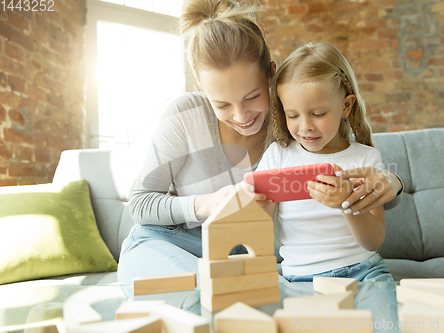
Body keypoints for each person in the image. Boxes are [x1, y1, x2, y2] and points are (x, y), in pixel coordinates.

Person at [117, 0, 400, 300]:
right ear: (203, 90)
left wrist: (395, 182)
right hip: (165, 242)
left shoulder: (291, 130)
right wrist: (209, 204)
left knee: (238, 300)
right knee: (204, 296)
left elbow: (357, 176)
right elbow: (140, 204)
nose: (241, 116)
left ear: (271, 76)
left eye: (252, 96)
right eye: (222, 104)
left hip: (237, 256)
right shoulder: (186, 114)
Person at [251, 42, 393, 282]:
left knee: (385, 320)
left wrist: (347, 204)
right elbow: (256, 232)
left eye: (318, 114)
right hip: (300, 276)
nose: (305, 126)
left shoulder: (365, 159)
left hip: (363, 270)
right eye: (293, 115)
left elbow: (374, 241)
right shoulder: (278, 156)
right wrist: (259, 209)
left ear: (346, 106)